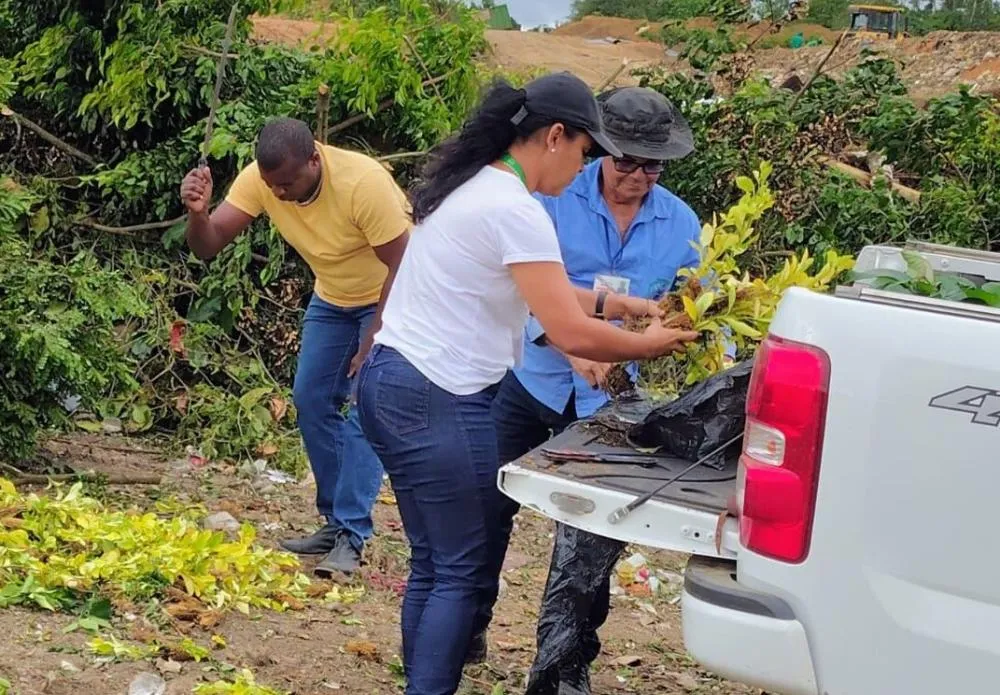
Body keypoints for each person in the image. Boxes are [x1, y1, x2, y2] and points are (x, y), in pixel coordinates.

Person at [354, 71, 699, 695]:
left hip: (394, 381)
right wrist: (651, 343)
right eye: (584, 153)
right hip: (438, 395)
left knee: (436, 562)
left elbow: (548, 291)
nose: (582, 167)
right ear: (555, 137)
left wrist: (622, 307)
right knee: (459, 569)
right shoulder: (519, 209)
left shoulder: (476, 185)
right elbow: (569, 334)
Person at [479, 87, 702, 695]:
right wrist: (574, 346)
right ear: (601, 151)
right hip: (531, 383)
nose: (637, 176)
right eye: (626, 160)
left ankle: (563, 668)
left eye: (652, 165)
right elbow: (521, 289)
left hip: (612, 408)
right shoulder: (550, 197)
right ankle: (466, 625)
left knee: (588, 543)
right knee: (484, 512)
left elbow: (688, 309)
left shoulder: (682, 224)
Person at [179, 117, 410, 576]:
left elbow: (405, 266)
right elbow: (208, 246)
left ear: (314, 158)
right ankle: (333, 520)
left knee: (367, 404)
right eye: (272, 186)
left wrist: (375, 339)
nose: (279, 194)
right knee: (310, 399)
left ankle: (351, 534)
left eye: (287, 183)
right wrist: (198, 214)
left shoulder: (364, 184)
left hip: (391, 297)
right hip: (332, 299)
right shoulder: (261, 180)